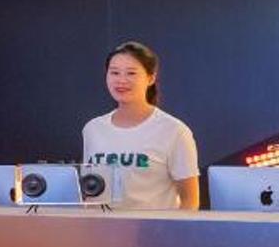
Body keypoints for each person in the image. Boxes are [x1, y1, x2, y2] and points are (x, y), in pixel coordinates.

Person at [82, 41, 200, 210]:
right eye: (114, 72)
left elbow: (190, 201)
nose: (121, 80)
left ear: (150, 78)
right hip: (97, 226)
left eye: (131, 73)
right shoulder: (93, 129)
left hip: (151, 227)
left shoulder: (174, 131)